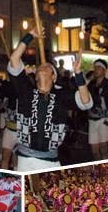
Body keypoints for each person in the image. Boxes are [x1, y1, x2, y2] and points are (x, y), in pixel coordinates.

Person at [7, 28, 93, 171]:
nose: (43, 66)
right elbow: (14, 59)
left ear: (54, 77)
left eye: (48, 67)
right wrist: (30, 36)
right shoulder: (26, 91)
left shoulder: (61, 96)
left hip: (51, 161)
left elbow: (85, 102)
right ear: (35, 76)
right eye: (40, 66)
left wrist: (78, 73)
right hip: (25, 160)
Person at [86, 59, 108, 161]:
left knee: (104, 148)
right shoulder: (91, 85)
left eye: (99, 68)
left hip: (103, 119)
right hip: (92, 119)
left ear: (104, 70)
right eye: (95, 68)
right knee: (94, 150)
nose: (96, 70)